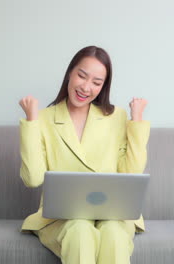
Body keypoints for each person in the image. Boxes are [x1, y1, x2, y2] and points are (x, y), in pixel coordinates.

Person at [18, 45, 150, 264]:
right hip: (62, 219)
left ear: (103, 87)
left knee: (114, 234)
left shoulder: (116, 116)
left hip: (112, 216)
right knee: (80, 231)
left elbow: (132, 173)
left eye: (96, 83)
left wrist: (137, 121)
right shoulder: (44, 119)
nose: (86, 87)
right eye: (82, 76)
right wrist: (31, 122)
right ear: (70, 72)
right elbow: (33, 179)